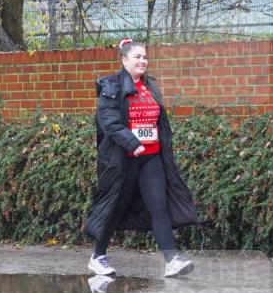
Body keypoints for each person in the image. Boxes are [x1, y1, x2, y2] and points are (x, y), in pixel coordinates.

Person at [83, 38, 199, 278]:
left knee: (159, 207)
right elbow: (109, 123)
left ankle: (171, 261)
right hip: (122, 160)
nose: (143, 61)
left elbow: (159, 123)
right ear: (124, 60)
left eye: (145, 57)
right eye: (137, 57)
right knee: (115, 207)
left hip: (151, 158)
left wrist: (162, 147)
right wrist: (132, 143)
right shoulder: (111, 86)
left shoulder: (150, 86)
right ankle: (98, 256)